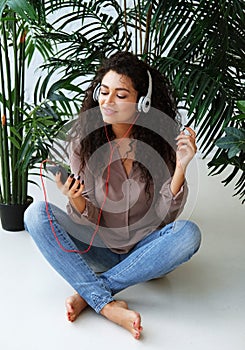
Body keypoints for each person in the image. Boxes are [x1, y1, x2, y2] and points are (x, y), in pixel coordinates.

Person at [24, 51, 201, 340]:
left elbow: (163, 218)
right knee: (35, 214)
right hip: (98, 248)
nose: (107, 101)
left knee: (189, 234)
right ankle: (106, 304)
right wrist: (77, 199)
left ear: (143, 102)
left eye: (121, 94)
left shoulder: (162, 144)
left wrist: (180, 168)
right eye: (103, 92)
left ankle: (91, 293)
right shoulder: (84, 143)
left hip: (146, 254)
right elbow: (90, 218)